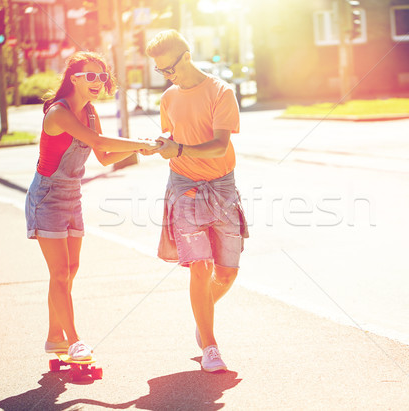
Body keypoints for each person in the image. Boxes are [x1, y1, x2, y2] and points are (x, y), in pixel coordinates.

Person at [25, 51, 158, 360]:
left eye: (102, 76)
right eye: (91, 76)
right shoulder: (58, 113)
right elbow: (98, 143)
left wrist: (139, 150)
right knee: (59, 273)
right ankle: (74, 341)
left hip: (72, 196)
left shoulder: (91, 113)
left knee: (69, 270)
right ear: (75, 79)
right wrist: (140, 143)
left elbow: (105, 157)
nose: (98, 82)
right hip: (47, 196)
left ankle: (54, 337)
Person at [145, 30, 248, 372]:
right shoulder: (169, 98)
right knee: (200, 268)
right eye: (160, 71)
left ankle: (201, 320)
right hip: (184, 187)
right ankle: (210, 344)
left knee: (227, 272)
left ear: (186, 57)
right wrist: (163, 144)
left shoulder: (221, 92)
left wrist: (179, 148)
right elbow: (172, 137)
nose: (166, 76)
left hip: (221, 187)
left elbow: (220, 145)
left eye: (169, 69)